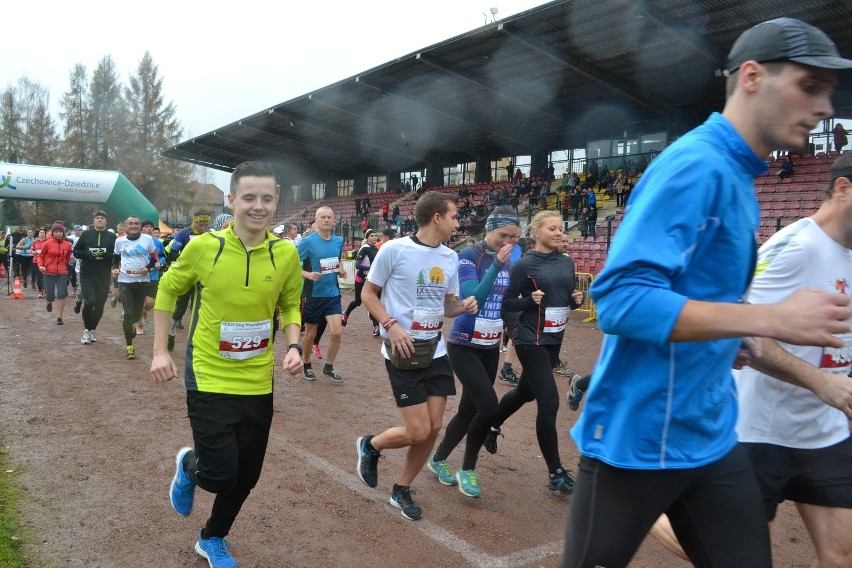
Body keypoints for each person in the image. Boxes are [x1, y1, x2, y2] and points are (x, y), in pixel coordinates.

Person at [562, 18, 852, 568]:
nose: (825, 109)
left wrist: (734, 334)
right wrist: (768, 319)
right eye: (809, 87)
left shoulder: (739, 174)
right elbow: (621, 299)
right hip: (638, 437)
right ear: (751, 77)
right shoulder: (697, 166)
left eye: (828, 94)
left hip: (710, 433)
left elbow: (698, 294)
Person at [150, 161, 303, 568]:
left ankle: (212, 537)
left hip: (257, 380)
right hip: (208, 376)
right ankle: (188, 464)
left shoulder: (286, 252)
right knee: (218, 475)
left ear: (276, 202)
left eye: (266, 198)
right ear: (232, 200)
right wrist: (160, 350)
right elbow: (167, 289)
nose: (258, 206)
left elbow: (289, 303)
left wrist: (294, 345)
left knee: (247, 476)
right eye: (249, 197)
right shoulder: (205, 247)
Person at [356, 191, 478, 520]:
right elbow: (368, 293)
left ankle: (401, 488)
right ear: (437, 217)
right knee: (417, 430)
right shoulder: (394, 249)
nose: (458, 222)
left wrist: (462, 306)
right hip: (402, 349)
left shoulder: (451, 258)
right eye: (454, 216)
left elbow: (447, 306)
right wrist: (391, 325)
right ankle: (371, 445)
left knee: (434, 426)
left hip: (435, 349)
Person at [483, 211, 582, 496]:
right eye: (552, 228)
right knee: (549, 402)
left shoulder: (567, 263)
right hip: (530, 340)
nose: (558, 232)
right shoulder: (524, 264)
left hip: (553, 339)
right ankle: (556, 472)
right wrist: (528, 300)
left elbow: (567, 300)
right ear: (537, 232)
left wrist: (577, 299)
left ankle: (492, 423)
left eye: (560, 228)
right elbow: (507, 304)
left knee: (525, 392)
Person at [428, 207, 521, 498]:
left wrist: (522, 317)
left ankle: (438, 459)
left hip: (490, 346)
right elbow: (472, 299)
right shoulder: (469, 256)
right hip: (464, 344)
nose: (508, 241)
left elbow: (505, 304)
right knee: (489, 408)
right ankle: (468, 468)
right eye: (502, 235)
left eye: (515, 237)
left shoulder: (507, 260)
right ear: (488, 231)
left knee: (470, 410)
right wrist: (496, 267)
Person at [297, 206, 347, 383]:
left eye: (329, 217)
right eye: (323, 217)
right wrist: (307, 274)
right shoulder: (307, 242)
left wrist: (341, 270)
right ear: (316, 220)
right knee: (310, 334)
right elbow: (292, 264)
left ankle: (329, 367)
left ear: (334, 220)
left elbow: (337, 261)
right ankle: (306, 364)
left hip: (332, 293)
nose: (326, 220)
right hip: (313, 294)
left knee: (336, 332)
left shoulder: (339, 241)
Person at [164, 209, 211, 351]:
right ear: (194, 220)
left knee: (204, 307)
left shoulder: (210, 235)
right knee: (182, 307)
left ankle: (200, 340)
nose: (203, 226)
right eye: (200, 223)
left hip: (204, 276)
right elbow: (172, 254)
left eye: (205, 223)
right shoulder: (183, 234)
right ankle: (171, 331)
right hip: (187, 275)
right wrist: (186, 263)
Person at [113, 216, 158, 360]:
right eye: (130, 223)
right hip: (125, 280)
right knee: (128, 311)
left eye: (136, 223)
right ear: (125, 226)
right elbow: (115, 257)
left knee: (137, 312)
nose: (133, 226)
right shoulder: (120, 241)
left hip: (142, 281)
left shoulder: (147, 239)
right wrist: (114, 268)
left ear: (140, 226)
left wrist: (148, 267)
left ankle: (132, 324)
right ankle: (129, 347)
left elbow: (154, 258)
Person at [74, 211, 117, 345]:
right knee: (90, 301)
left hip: (103, 275)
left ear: (106, 222)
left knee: (99, 305)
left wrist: (104, 254)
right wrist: (88, 254)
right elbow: (76, 251)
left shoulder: (112, 237)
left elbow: (116, 255)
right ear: (94, 221)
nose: (99, 220)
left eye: (102, 218)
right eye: (97, 218)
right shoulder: (86, 234)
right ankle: (86, 330)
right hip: (87, 274)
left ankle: (93, 329)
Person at [342, 229, 380, 336]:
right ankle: (346, 314)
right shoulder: (364, 249)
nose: (374, 237)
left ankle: (376, 327)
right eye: (372, 235)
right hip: (361, 279)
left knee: (373, 302)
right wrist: (370, 267)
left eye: (375, 235)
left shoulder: (376, 249)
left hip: (371, 280)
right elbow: (357, 265)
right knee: (358, 302)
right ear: (367, 237)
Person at [37, 223, 72, 325]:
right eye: (56, 232)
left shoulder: (67, 245)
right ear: (52, 233)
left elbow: (67, 257)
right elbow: (41, 257)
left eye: (60, 231)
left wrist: (68, 262)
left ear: (63, 233)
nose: (58, 233)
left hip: (62, 273)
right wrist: (41, 266)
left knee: (61, 294)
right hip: (48, 272)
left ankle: (59, 317)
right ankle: (49, 301)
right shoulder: (47, 244)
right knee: (50, 295)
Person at [138, 219, 166, 336]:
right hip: (138, 276)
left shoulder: (158, 243)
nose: (149, 229)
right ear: (141, 229)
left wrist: (161, 263)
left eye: (151, 227)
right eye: (146, 227)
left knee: (150, 303)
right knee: (139, 301)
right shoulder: (137, 241)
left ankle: (144, 311)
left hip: (153, 276)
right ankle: (139, 324)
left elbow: (163, 256)